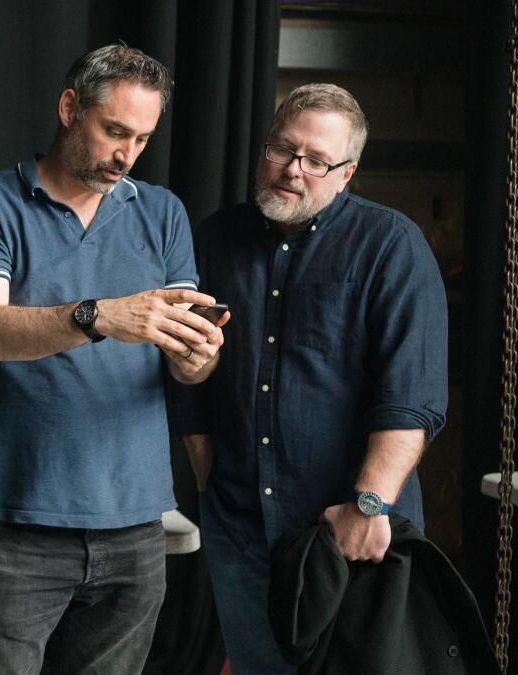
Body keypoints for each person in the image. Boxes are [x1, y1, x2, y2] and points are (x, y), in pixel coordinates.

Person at [0, 44, 227, 674]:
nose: (126, 156)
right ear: (71, 108)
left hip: (136, 522)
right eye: (115, 131)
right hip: (20, 520)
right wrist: (101, 315)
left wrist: (197, 356)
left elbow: (186, 367)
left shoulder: (162, 213)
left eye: (143, 139)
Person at [172, 83, 448, 674]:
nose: (293, 170)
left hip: (348, 532)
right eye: (281, 149)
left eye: (316, 160)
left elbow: (413, 398)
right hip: (240, 525)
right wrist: (208, 476)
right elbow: (184, 370)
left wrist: (367, 505)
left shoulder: (390, 246)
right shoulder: (216, 238)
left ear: (346, 174)